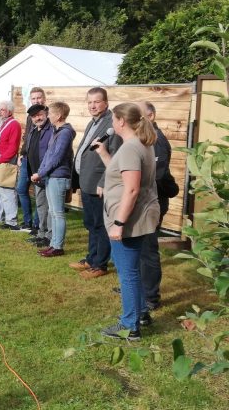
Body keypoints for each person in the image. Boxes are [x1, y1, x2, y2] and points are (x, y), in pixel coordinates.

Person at [94, 103, 160, 340]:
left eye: (113, 118)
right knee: (133, 270)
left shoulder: (132, 147)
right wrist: (104, 154)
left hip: (129, 220)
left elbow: (131, 190)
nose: (112, 123)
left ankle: (130, 326)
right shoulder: (139, 144)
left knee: (128, 273)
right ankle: (141, 313)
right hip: (137, 216)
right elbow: (123, 176)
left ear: (121, 121)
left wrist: (119, 224)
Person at [70, 87, 122, 278]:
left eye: (97, 101)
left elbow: (114, 156)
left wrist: (104, 181)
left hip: (99, 184)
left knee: (100, 225)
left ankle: (100, 264)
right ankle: (91, 258)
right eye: (90, 102)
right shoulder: (93, 122)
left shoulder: (111, 124)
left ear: (106, 103)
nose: (93, 105)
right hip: (86, 182)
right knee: (91, 223)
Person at [140, 102, 173, 312]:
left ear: (150, 117)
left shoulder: (157, 141)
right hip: (144, 201)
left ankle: (151, 296)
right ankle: (140, 288)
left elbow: (157, 175)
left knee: (148, 250)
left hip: (153, 202)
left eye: (139, 114)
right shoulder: (147, 139)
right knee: (139, 248)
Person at [32, 102, 75, 257]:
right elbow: (49, 154)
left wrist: (40, 173)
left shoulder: (65, 133)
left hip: (58, 177)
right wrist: (41, 172)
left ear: (58, 116)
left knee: (57, 213)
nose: (48, 116)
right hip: (52, 176)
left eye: (50, 113)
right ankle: (53, 244)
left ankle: (58, 246)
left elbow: (56, 157)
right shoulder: (57, 131)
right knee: (53, 211)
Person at [22, 105, 53, 247]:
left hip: (48, 175)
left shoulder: (51, 130)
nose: (37, 118)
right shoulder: (33, 131)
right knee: (41, 206)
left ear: (45, 113)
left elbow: (52, 154)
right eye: (34, 116)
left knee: (50, 208)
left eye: (40, 115)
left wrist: (42, 172)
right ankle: (41, 233)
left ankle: (49, 236)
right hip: (36, 175)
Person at [17, 87, 46, 233]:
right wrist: (22, 154)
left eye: (39, 98)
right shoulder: (30, 116)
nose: (36, 100)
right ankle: (27, 221)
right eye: (33, 98)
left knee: (39, 194)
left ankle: (37, 224)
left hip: (40, 160)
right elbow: (27, 137)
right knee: (21, 189)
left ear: (44, 99)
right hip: (27, 158)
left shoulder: (46, 116)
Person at [0, 100, 22, 230]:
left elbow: (13, 148)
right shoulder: (1, 124)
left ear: (9, 111)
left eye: (2, 109)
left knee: (7, 192)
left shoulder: (14, 125)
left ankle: (11, 220)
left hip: (6, 162)